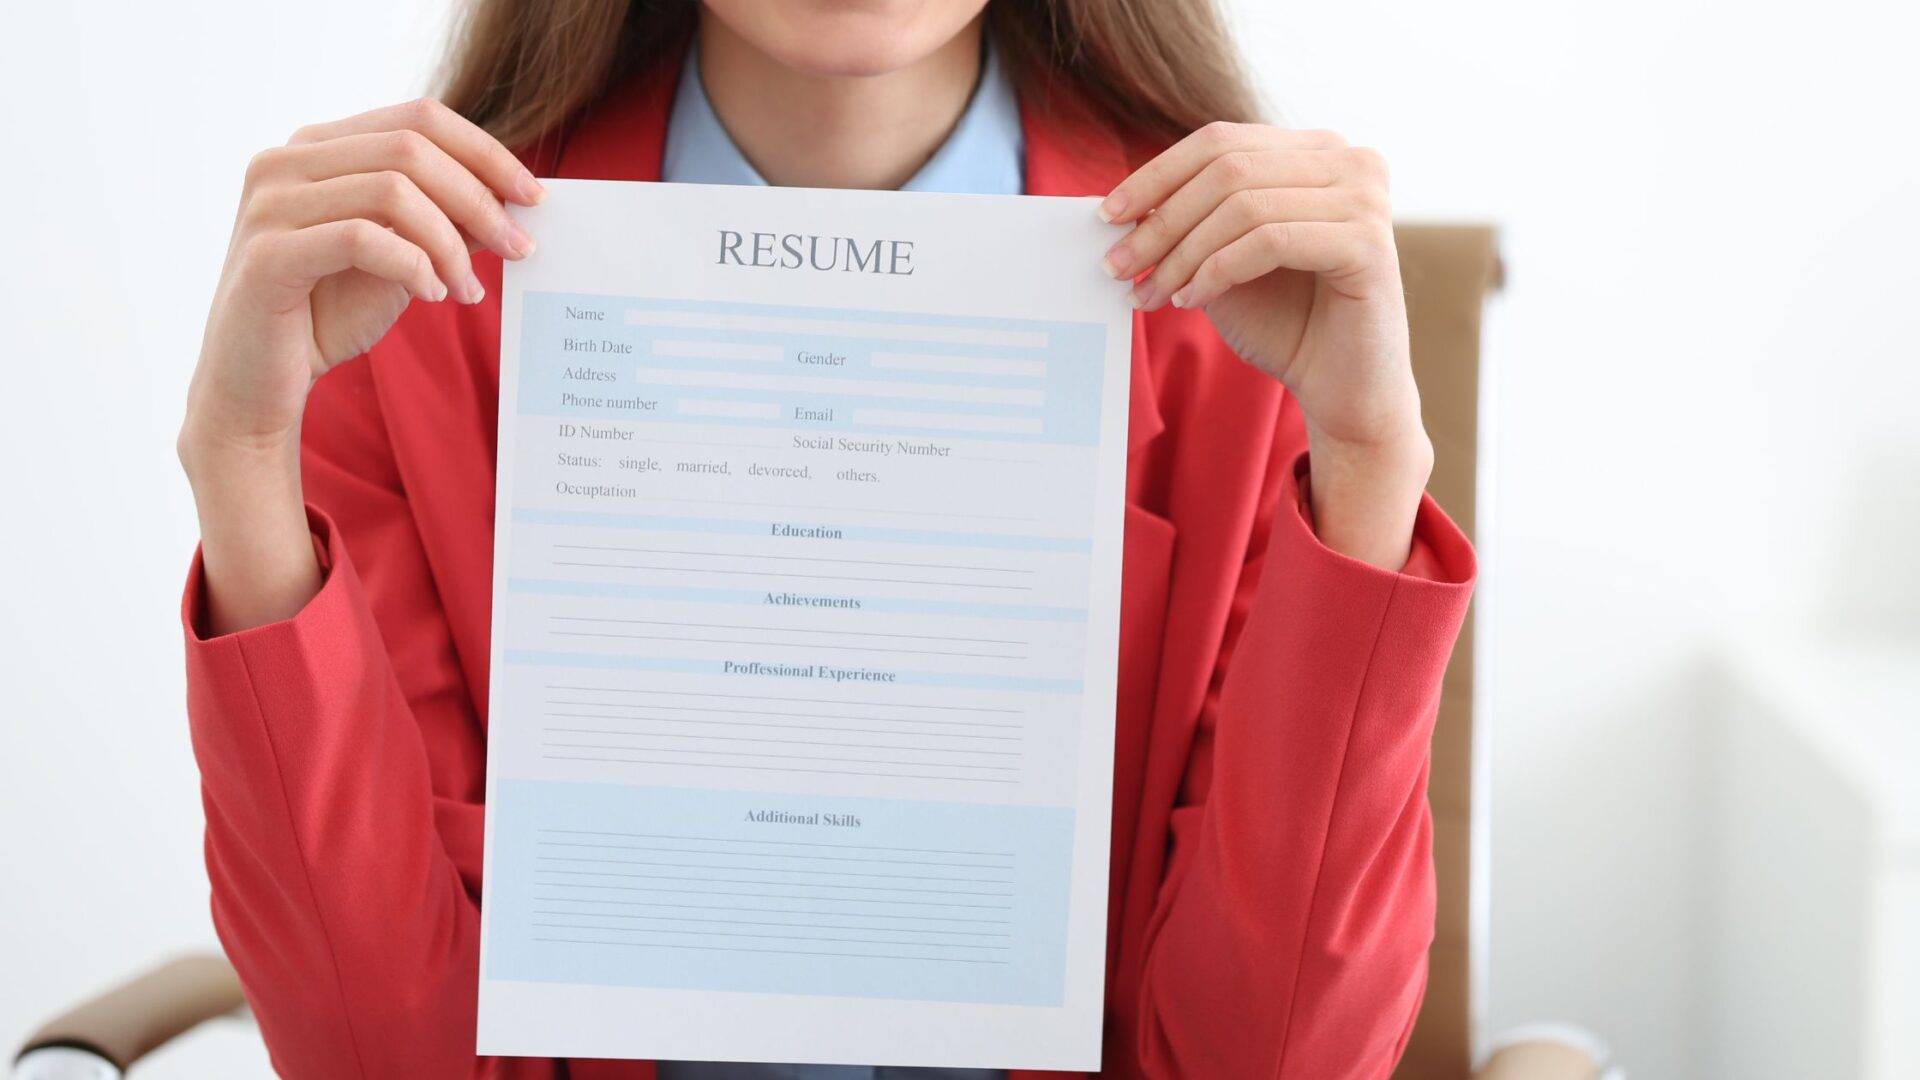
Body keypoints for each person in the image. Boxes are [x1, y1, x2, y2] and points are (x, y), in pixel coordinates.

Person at [176, 1, 1476, 1077]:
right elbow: (384, 1058)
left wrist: (1367, 467)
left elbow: (1268, 1060)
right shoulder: (414, 285)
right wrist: (241, 464)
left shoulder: (1235, 310)